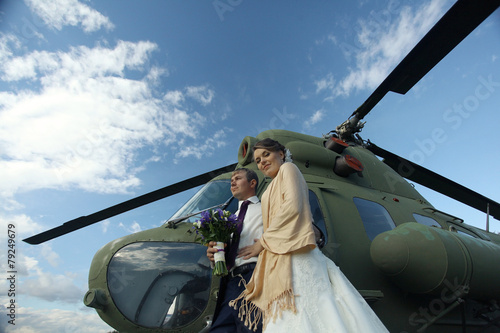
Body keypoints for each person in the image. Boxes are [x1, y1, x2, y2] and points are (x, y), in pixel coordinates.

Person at [230, 138, 389, 332]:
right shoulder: (269, 188)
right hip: (280, 255)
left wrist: (261, 243)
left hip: (296, 255)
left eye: (266, 154)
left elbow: (292, 208)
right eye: (257, 160)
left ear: (281, 154)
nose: (262, 161)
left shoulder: (289, 169)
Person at [207, 168, 264, 333]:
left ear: (252, 183)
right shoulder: (230, 218)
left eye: (238, 178)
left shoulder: (266, 208)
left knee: (250, 327)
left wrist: (264, 244)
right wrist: (214, 256)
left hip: (255, 276)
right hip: (231, 282)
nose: (232, 182)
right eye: (232, 179)